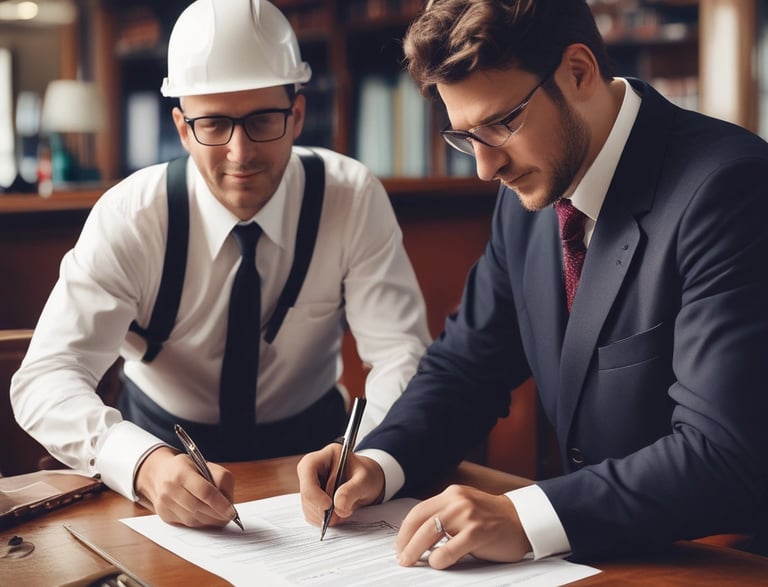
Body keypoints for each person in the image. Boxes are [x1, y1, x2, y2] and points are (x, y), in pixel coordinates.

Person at [298, 0, 768, 568]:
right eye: (466, 136)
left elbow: (725, 454)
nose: (484, 167)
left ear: (578, 71)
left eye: (501, 123)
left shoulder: (730, 187)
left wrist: (526, 516)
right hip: (599, 560)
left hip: (722, 560)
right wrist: (379, 461)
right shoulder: (527, 192)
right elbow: (467, 366)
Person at [11, 0, 430, 529]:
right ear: (183, 128)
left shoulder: (350, 198)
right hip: (160, 452)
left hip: (320, 460)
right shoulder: (131, 216)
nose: (239, 153)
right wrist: (141, 465)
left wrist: (371, 455)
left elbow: (402, 354)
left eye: (261, 121)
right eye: (213, 124)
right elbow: (45, 378)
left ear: (297, 114)